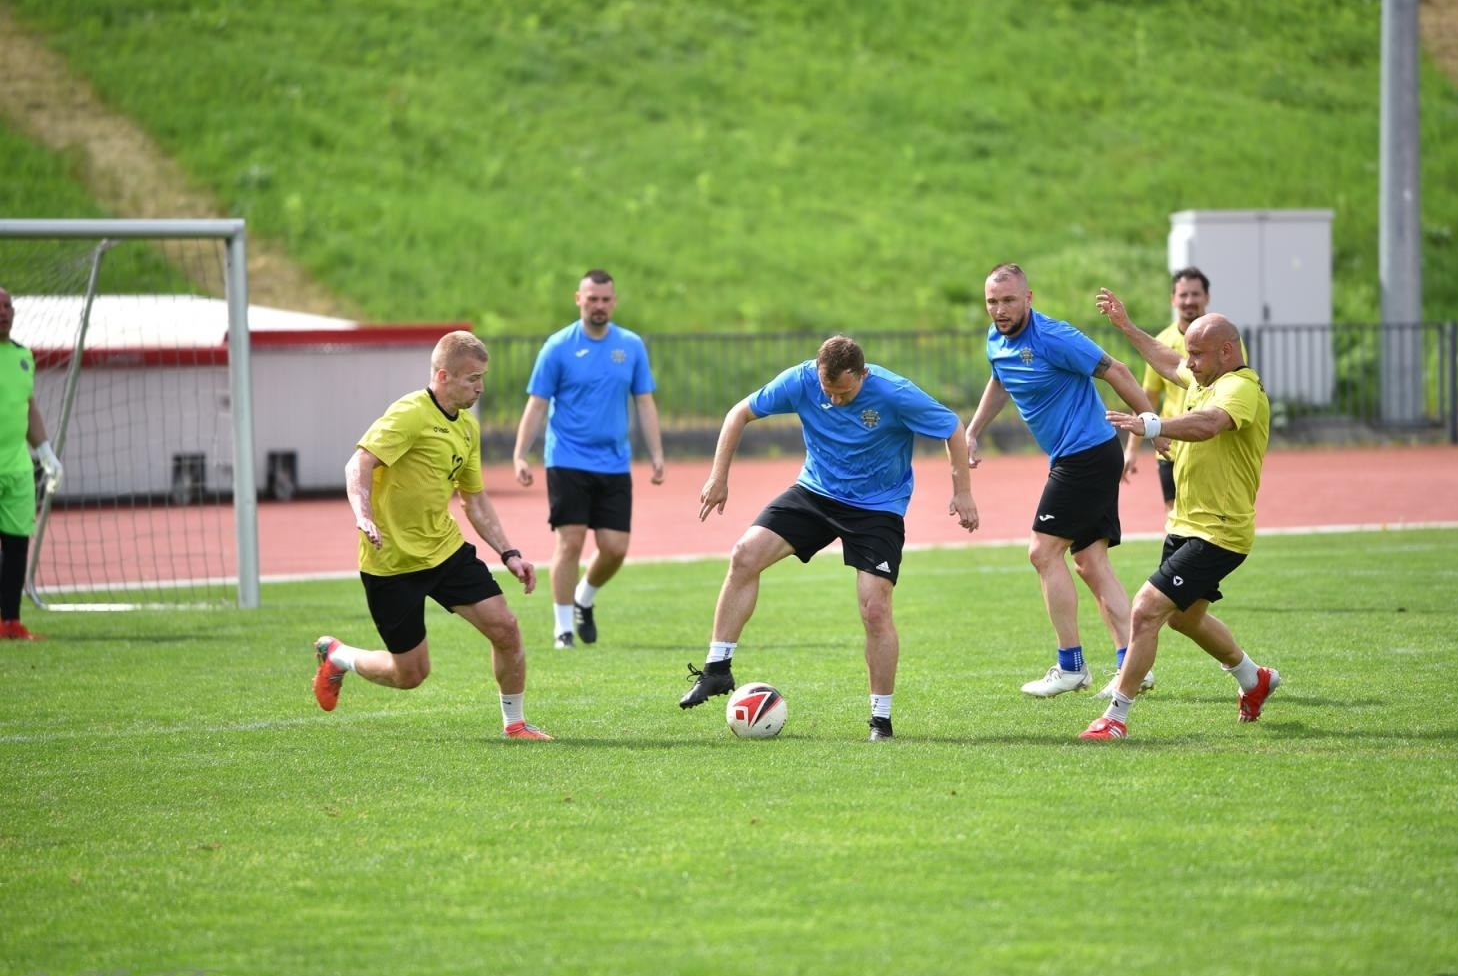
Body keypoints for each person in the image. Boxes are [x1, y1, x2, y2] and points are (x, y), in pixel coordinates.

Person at [683, 335, 980, 741]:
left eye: (845, 391)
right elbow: (739, 413)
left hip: (877, 508)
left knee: (874, 610)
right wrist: (718, 477)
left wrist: (962, 490)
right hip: (815, 493)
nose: (836, 400)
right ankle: (717, 669)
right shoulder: (801, 380)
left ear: (863, 374)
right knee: (744, 555)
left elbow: (952, 427)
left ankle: (881, 720)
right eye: (828, 391)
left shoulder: (894, 393)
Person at [313, 331, 552, 740]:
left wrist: (509, 553)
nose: (480, 387)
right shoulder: (410, 413)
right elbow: (359, 464)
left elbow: (473, 500)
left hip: (444, 551)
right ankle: (339, 656)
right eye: (472, 378)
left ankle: (515, 724)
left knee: (506, 629)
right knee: (410, 674)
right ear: (443, 376)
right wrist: (364, 515)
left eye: (483, 377)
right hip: (390, 563)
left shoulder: (467, 429)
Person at [1079, 289, 1277, 740]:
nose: (1189, 363)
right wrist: (1127, 328)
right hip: (1187, 524)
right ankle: (1253, 679)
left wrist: (1154, 425)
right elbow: (1168, 361)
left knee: (1146, 609)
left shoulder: (1240, 387)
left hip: (1220, 532)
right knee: (1184, 618)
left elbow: (1209, 424)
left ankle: (1115, 716)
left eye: (1199, 355)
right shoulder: (1206, 377)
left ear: (1227, 351)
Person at [964, 264, 1162, 700]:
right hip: (1077, 457)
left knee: (1042, 552)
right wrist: (974, 430)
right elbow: (1001, 379)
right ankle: (1134, 665)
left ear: (1029, 298)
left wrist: (1153, 425)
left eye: (1009, 300)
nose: (1000, 310)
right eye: (993, 302)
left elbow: (1118, 370)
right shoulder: (996, 339)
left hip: (1086, 456)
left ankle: (1071, 666)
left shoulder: (1055, 337)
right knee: (1091, 563)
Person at [513, 270, 664, 649]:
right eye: (592, 298)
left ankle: (584, 597)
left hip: (614, 462)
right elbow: (537, 404)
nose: (599, 305)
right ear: (578, 299)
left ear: (614, 301)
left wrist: (657, 453)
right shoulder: (558, 346)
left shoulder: (631, 346)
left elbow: (644, 402)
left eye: (605, 299)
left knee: (615, 548)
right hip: (566, 457)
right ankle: (563, 628)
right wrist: (520, 454)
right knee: (571, 541)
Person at [0, 286, 63, 641]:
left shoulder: (25, 356)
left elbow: (29, 407)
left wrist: (46, 453)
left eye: (8, 306)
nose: (3, 312)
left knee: (17, 545)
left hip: (18, 468)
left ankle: (10, 622)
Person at [1122, 267, 1211, 516]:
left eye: (1195, 294)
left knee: (1208, 517)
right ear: (1173, 299)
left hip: (1209, 444)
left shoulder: (1223, 341)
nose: (1189, 301)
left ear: (1207, 297)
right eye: (1183, 295)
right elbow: (1146, 397)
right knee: (1173, 516)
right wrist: (1131, 449)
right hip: (1172, 445)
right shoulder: (1161, 344)